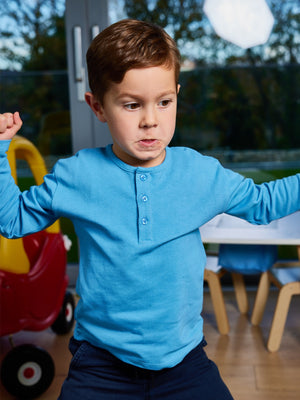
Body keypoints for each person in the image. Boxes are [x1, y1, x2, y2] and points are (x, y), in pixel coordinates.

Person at [0, 19, 299, 400]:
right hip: (100, 364)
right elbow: (12, 220)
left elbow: (264, 203)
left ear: (176, 95)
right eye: (131, 104)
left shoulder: (200, 173)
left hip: (184, 362)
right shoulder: (78, 175)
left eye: (164, 102)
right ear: (98, 106)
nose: (150, 120)